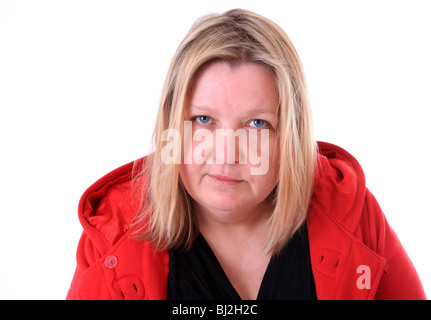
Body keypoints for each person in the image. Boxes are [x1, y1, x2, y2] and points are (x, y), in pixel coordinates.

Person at [66, 8, 425, 300]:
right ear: (172, 126)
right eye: (203, 119)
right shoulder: (114, 234)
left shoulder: (351, 215)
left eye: (256, 124)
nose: (227, 153)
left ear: (290, 137)